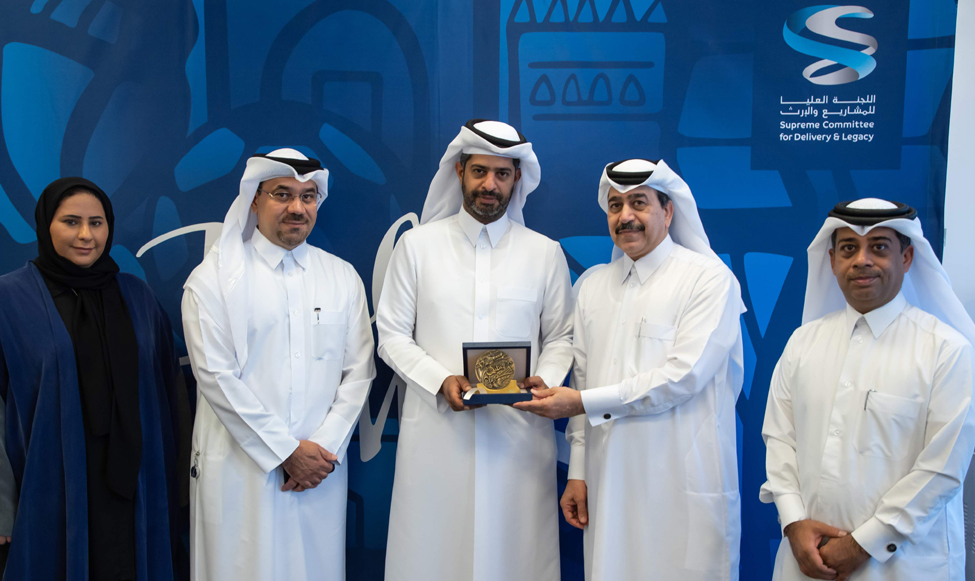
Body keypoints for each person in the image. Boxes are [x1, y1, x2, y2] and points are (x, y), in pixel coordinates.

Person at [515, 159, 745, 580]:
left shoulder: (709, 280)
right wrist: (579, 473)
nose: (626, 216)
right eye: (615, 205)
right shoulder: (592, 286)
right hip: (610, 485)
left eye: (639, 203)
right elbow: (583, 379)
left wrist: (581, 402)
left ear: (668, 211)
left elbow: (684, 376)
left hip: (681, 482)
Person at [376, 119, 574, 581]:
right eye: (480, 172)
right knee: (433, 554)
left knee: (518, 556)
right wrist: (439, 380)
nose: (490, 185)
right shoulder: (418, 247)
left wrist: (545, 379)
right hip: (439, 435)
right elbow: (391, 335)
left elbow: (562, 337)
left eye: (502, 174)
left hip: (520, 435)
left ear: (517, 179)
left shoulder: (544, 253)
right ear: (460, 172)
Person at [0, 177, 186, 581]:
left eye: (98, 222)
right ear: (45, 225)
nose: (86, 235)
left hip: (135, 490)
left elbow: (170, 395)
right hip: (46, 490)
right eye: (71, 222)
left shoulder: (137, 296)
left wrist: (178, 489)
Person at [183, 149, 375, 580]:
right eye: (282, 194)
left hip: (317, 475)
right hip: (241, 472)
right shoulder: (212, 280)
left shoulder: (342, 277)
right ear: (255, 199)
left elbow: (359, 371)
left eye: (308, 197)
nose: (296, 208)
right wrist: (286, 451)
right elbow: (216, 378)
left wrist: (319, 453)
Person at [760, 199, 975, 581]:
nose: (861, 260)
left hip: (902, 565)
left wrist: (862, 545)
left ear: (906, 258)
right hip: (805, 560)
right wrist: (793, 523)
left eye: (878, 247)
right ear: (832, 261)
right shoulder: (803, 342)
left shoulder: (946, 350)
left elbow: (942, 470)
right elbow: (779, 440)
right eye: (848, 249)